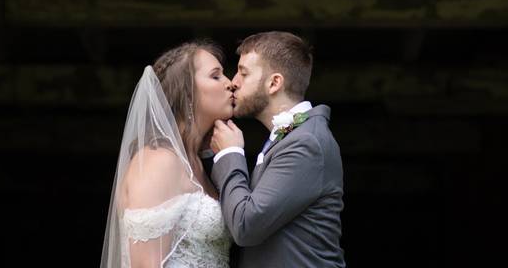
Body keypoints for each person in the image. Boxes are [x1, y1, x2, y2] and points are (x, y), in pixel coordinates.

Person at [210, 31, 346, 267]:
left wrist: (229, 155)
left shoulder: (306, 143)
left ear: (274, 83)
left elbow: (246, 226)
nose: (234, 82)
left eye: (244, 73)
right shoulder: (294, 135)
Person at [99, 40, 236, 268]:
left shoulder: (199, 164)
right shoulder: (159, 161)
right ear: (188, 93)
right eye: (216, 76)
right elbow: (144, 265)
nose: (230, 83)